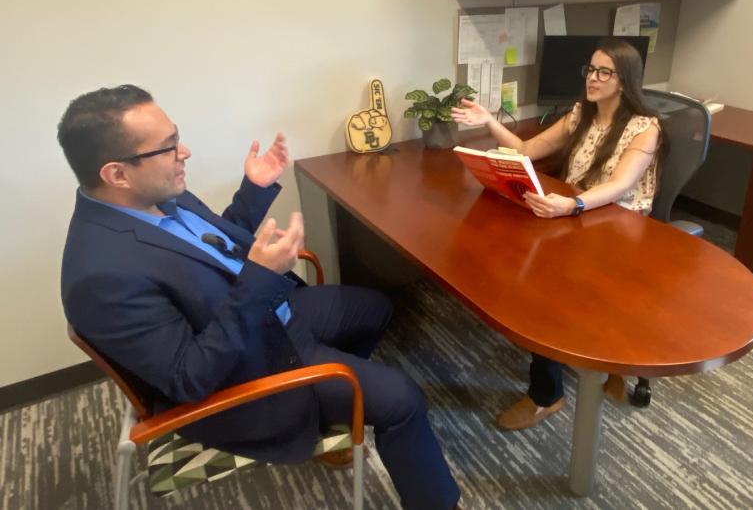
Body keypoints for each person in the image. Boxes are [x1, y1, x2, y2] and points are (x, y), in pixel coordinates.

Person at [58, 85, 460, 510]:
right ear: (117, 173)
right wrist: (260, 280)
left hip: (264, 319)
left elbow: (211, 252)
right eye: (169, 147)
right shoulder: (100, 275)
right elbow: (189, 377)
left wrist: (253, 191)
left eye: (177, 137)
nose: (185, 152)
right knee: (402, 398)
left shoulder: (151, 196)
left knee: (374, 307)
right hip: (246, 373)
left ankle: (338, 415)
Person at [451, 38, 663, 431]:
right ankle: (586, 350)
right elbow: (526, 150)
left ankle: (546, 394)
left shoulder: (644, 129)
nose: (593, 78)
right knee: (511, 253)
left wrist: (574, 205)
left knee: (544, 289)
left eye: (604, 72)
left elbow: (619, 185)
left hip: (620, 225)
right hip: (577, 213)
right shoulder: (582, 113)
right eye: (591, 69)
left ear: (624, 80)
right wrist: (489, 121)